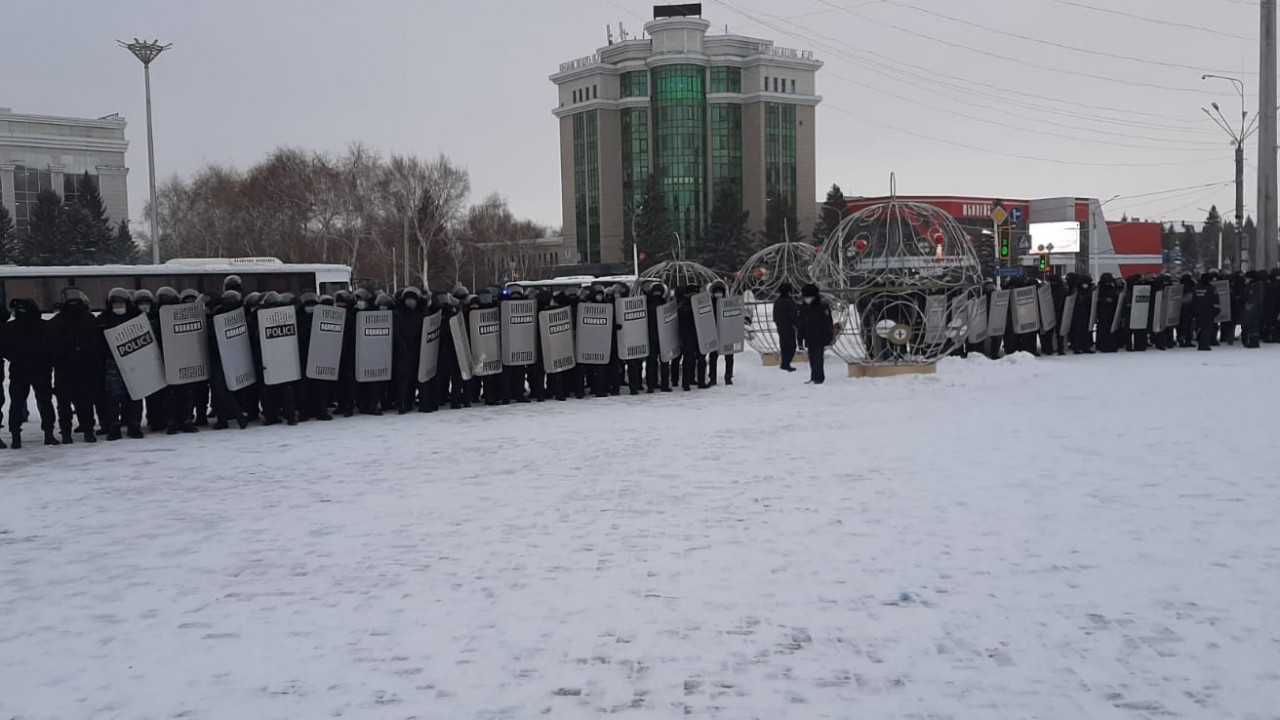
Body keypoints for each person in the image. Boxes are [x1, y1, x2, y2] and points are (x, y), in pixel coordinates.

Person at [0, 298, 59, 448]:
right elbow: (53, 346)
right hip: (41, 369)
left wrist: (14, 357)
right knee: (45, 402)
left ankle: (15, 436)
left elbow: (4, 348)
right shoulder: (45, 326)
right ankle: (49, 434)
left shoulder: (8, 328)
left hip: (19, 369)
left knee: (17, 403)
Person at [47, 288, 102, 444]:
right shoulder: (89, 319)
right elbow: (96, 343)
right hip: (79, 367)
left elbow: (51, 346)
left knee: (65, 403)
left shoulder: (57, 321)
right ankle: (87, 431)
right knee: (84, 401)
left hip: (66, 368)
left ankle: (67, 433)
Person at [97, 288, 145, 441]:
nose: (118, 306)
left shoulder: (137, 316)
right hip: (112, 363)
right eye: (115, 303)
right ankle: (113, 427)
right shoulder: (103, 319)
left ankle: (134, 426)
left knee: (135, 395)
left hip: (134, 361)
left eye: (121, 303)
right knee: (112, 397)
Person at [393, 287, 424, 414]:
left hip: (418, 349)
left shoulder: (421, 313)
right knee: (403, 379)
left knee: (414, 378)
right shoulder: (398, 313)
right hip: (403, 351)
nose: (410, 302)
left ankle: (410, 401)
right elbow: (396, 333)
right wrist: (402, 346)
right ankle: (402, 403)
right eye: (408, 299)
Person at [798, 283, 834, 385]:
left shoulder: (822, 307)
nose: (807, 299)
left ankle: (818, 378)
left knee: (818, 357)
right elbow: (801, 324)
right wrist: (800, 339)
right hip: (809, 337)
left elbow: (827, 323)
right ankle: (814, 377)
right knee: (812, 358)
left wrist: (828, 337)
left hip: (819, 337)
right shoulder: (804, 308)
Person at [772, 282, 800, 371]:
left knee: (783, 345)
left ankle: (784, 363)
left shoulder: (777, 301)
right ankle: (786, 363)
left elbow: (775, 315)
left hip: (780, 326)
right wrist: (796, 324)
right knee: (791, 346)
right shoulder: (790, 302)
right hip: (789, 326)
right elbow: (794, 315)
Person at [1192, 273, 1220, 351]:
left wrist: (1193, 311)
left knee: (1199, 327)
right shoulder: (1211, 288)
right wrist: (1216, 310)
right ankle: (1204, 344)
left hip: (1198, 311)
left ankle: (1200, 341)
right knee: (1207, 328)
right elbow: (1215, 300)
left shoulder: (1196, 288)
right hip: (1208, 312)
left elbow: (1193, 300)